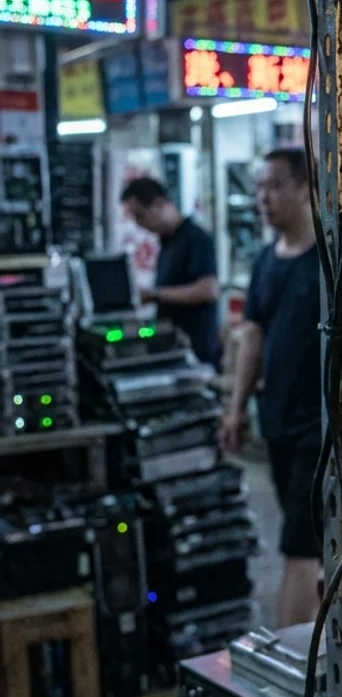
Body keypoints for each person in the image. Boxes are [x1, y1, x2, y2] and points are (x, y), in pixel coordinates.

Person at [218, 149, 323, 627]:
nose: (263, 198)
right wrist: (236, 410)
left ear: (304, 188)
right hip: (276, 422)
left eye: (274, 186)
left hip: (318, 429)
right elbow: (252, 337)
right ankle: (319, 645)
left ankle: (292, 662)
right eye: (258, 188)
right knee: (301, 538)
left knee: (300, 547)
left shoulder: (327, 260)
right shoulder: (265, 262)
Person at [120, 177, 222, 367]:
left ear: (160, 204)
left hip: (196, 354)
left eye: (141, 216)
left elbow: (209, 290)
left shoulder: (196, 239)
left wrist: (154, 295)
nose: (140, 225)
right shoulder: (167, 243)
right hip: (172, 348)